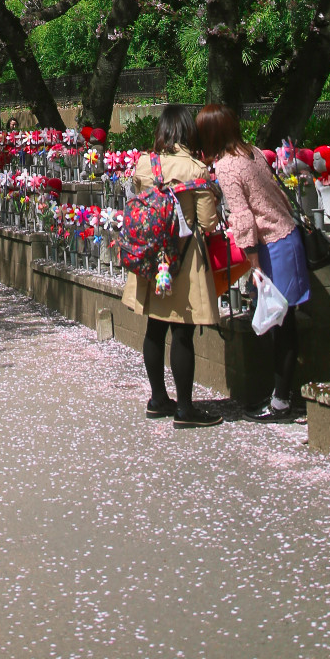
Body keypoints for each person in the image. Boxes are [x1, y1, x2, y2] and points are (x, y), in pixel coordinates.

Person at [198, 104, 309, 419]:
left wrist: (253, 264)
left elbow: (243, 217)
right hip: (289, 238)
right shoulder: (255, 153)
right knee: (284, 322)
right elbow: (280, 196)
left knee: (279, 322)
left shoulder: (227, 167)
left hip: (272, 245)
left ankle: (282, 401)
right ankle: (281, 395)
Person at [121, 105, 223, 428]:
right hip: (184, 258)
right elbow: (207, 222)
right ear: (188, 132)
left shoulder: (145, 164)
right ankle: (185, 409)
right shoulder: (196, 169)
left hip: (151, 257)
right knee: (182, 332)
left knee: (154, 328)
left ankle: (157, 399)